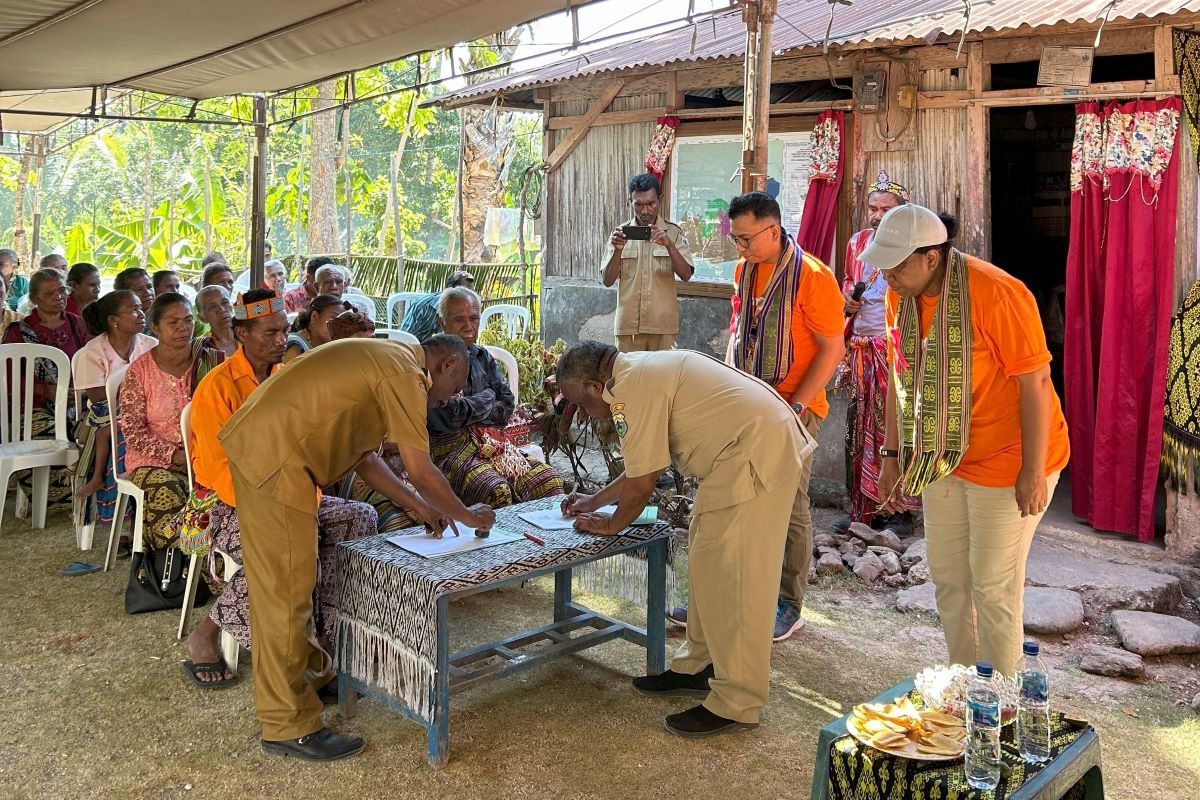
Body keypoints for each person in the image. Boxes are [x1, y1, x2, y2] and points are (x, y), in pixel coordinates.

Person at [220, 333, 498, 761]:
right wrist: (467, 514)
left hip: (272, 451)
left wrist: (420, 507)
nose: (449, 401)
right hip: (276, 460)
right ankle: (287, 725)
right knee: (285, 594)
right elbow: (420, 468)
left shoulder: (388, 359)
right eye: (456, 388)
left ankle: (306, 683)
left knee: (295, 586)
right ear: (445, 365)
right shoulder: (405, 372)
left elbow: (367, 459)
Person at [557, 341, 809, 737]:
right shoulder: (631, 375)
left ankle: (738, 701)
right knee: (709, 561)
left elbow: (642, 483)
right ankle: (699, 666)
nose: (586, 414)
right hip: (746, 447)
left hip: (756, 450)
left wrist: (611, 524)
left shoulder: (631, 389)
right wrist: (595, 500)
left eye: (581, 404)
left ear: (593, 386)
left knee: (736, 577)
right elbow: (644, 462)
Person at [872, 205, 1070, 677]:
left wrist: (1032, 470)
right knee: (949, 580)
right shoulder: (899, 296)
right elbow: (901, 378)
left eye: (898, 265)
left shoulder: (998, 293)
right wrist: (892, 455)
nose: (889, 276)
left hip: (1009, 460)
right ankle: (968, 689)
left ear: (932, 259)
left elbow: (1035, 383)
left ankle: (1004, 705)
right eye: (884, 265)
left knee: (994, 587)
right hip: (943, 457)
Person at [184, 290, 379, 692]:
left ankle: (327, 643)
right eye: (270, 332)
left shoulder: (287, 377)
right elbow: (219, 468)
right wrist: (282, 507)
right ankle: (206, 633)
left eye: (284, 331)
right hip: (228, 503)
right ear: (241, 332)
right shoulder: (216, 387)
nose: (281, 340)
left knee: (360, 518)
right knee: (279, 548)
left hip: (292, 496)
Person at [712, 191, 844, 642]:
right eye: (736, 240)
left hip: (794, 408)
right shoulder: (744, 270)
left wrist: (796, 408)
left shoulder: (813, 277)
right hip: (747, 402)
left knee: (789, 505)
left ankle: (788, 603)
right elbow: (738, 330)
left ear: (772, 231)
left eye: (746, 238)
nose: (740, 247)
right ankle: (729, 590)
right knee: (734, 496)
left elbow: (832, 350)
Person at [836, 170, 920, 535]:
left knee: (896, 428)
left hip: (895, 350)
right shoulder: (858, 243)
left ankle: (901, 510)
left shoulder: (915, 248)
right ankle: (863, 510)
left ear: (901, 212)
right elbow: (846, 281)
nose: (877, 215)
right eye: (873, 208)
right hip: (861, 348)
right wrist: (847, 302)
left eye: (886, 209)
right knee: (858, 431)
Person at [428, 287, 564, 506]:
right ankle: (503, 539)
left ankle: (540, 538)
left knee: (548, 479)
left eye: (474, 318)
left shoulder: (482, 357)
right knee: (495, 489)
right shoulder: (431, 359)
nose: (468, 326)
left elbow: (506, 408)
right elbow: (446, 418)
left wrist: (467, 407)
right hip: (448, 450)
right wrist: (488, 397)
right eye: (459, 320)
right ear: (442, 322)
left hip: (491, 444)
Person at [120, 293, 224, 551]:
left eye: (188, 320)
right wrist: (174, 455)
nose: (183, 328)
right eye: (173, 322)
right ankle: (181, 569)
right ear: (154, 327)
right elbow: (133, 432)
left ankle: (214, 564)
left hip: (205, 456)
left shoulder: (210, 362)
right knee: (167, 492)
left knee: (226, 495)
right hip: (154, 461)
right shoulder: (140, 371)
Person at [73, 291, 157, 547]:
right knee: (122, 439)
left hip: (144, 410)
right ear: (113, 320)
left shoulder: (149, 344)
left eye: (141, 308)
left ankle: (145, 523)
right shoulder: (94, 350)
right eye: (133, 310)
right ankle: (118, 529)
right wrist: (132, 391)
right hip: (103, 414)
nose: (141, 314)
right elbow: (97, 394)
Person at [3, 269, 92, 506]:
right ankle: (57, 495)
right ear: (33, 299)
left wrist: (81, 392)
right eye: (49, 293)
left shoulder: (78, 325)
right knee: (49, 431)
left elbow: (93, 361)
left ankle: (92, 491)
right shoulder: (18, 332)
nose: (58, 297)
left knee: (99, 428)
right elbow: (9, 376)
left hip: (79, 403)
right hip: (34, 408)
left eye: (62, 290)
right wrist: (48, 391)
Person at [602, 172, 694, 352]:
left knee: (662, 379)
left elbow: (686, 275)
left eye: (651, 203)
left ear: (659, 199)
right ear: (631, 202)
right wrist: (617, 252)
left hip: (663, 328)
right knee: (628, 378)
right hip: (628, 328)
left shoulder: (673, 233)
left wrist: (669, 245)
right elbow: (607, 281)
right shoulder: (619, 235)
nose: (645, 211)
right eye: (639, 204)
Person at [400, 269, 475, 340]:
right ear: (450, 291)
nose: (469, 296)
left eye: (471, 292)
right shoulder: (424, 307)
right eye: (465, 291)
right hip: (415, 348)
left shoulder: (467, 310)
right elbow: (404, 338)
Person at [283, 295, 348, 363]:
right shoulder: (296, 347)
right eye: (334, 318)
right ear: (314, 316)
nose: (340, 325)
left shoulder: (330, 347)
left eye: (343, 321)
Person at [195, 285, 237, 358]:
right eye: (212, 307)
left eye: (225, 302)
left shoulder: (247, 335)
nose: (222, 310)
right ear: (202, 318)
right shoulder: (200, 347)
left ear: (232, 305)